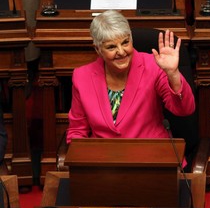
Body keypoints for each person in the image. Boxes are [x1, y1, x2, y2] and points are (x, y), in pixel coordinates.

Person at [66, 10, 195, 145]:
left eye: (125, 42)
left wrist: (173, 74)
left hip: (150, 156)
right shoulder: (82, 76)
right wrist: (84, 161)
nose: (121, 52)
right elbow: (77, 130)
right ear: (98, 49)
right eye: (111, 47)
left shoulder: (153, 66)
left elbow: (184, 109)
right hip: (104, 161)